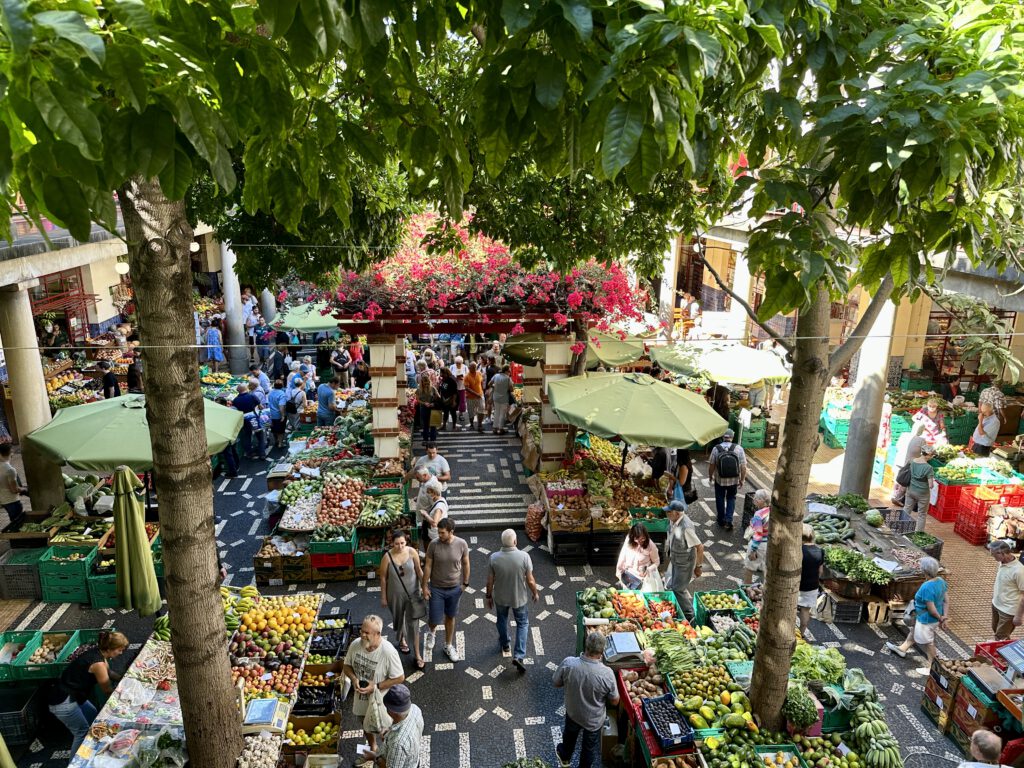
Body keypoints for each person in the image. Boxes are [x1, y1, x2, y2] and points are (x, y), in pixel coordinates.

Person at [47, 631, 129, 755]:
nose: (121, 653)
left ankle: (96, 750)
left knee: (94, 717)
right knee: (82, 732)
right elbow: (107, 690)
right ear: (110, 649)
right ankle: (76, 763)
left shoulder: (99, 654)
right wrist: (120, 706)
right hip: (63, 701)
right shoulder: (98, 664)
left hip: (75, 695)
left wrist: (126, 679)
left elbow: (110, 673)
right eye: (119, 650)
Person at [553, 632, 619, 768]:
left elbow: (556, 683)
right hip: (593, 720)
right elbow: (615, 701)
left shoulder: (569, 663)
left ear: (586, 646)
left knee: (569, 738)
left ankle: (565, 759)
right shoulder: (607, 674)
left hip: (573, 713)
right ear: (602, 652)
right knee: (589, 749)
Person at [342, 616, 405, 753]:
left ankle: (387, 753)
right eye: (362, 631)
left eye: (367, 633)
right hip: (361, 698)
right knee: (365, 724)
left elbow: (399, 678)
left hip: (381, 701)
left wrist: (375, 686)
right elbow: (346, 666)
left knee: (384, 729)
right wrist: (354, 679)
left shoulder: (388, 652)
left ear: (377, 634)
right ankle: (372, 747)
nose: (362, 635)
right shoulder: (355, 645)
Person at [486, 529, 539, 671]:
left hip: (500, 597)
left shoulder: (494, 558)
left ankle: (505, 643)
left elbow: (490, 581)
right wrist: (535, 593)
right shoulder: (524, 557)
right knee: (522, 623)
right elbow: (530, 580)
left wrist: (488, 596)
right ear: (515, 541)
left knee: (501, 620)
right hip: (519, 598)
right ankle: (519, 655)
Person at [885, 557, 946, 672]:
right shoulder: (941, 581)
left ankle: (932, 668)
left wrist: (941, 618)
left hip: (926, 619)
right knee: (914, 631)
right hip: (932, 618)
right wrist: (944, 616)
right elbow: (946, 600)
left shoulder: (927, 587)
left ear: (925, 571)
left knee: (929, 643)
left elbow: (931, 608)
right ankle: (902, 649)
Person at [422, 518, 470, 662]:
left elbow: (466, 563)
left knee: (450, 617)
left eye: (442, 533)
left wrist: (465, 584)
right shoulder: (433, 544)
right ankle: (432, 632)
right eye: (439, 532)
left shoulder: (462, 544)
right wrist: (424, 586)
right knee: (434, 618)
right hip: (436, 588)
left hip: (455, 588)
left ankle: (448, 645)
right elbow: (428, 566)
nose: (439, 535)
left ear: (451, 532)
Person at [379, 530, 425, 670]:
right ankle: (402, 639)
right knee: (399, 619)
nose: (400, 546)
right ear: (392, 543)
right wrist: (383, 597)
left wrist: (425, 586)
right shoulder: (387, 557)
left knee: (414, 624)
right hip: (395, 595)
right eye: (397, 544)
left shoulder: (412, 552)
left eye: (403, 543)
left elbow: (418, 570)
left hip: (413, 593)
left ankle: (417, 654)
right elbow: (383, 578)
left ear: (406, 542)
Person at [361, 684, 424, 768]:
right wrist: (389, 732)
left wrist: (374, 758)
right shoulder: (415, 709)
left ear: (392, 712)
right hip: (413, 761)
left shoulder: (398, 743)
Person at [663, 500, 704, 617]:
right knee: (673, 585)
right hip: (676, 559)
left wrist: (698, 567)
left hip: (684, 563)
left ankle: (690, 614)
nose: (667, 514)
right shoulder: (673, 521)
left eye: (669, 512)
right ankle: (679, 609)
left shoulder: (686, 527)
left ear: (677, 513)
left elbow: (700, 547)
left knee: (678, 589)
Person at [708, 429, 747, 530]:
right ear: (732, 437)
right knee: (731, 498)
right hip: (734, 480)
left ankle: (721, 520)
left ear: (723, 437)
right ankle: (729, 520)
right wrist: (742, 479)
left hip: (720, 480)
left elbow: (711, 465)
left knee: (720, 498)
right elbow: (743, 466)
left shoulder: (716, 449)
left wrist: (710, 476)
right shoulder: (739, 449)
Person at [988, 539, 1024, 640]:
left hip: (1008, 610)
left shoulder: (1019, 571)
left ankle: (1002, 654)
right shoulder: (1002, 562)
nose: (992, 556)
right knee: (996, 631)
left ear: (1002, 553)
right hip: (996, 605)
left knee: (1001, 636)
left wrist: (1018, 616)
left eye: (994, 554)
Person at [891, 422, 928, 506]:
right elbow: (925, 453)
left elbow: (897, 446)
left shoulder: (904, 435)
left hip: (899, 459)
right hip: (909, 463)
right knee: (905, 480)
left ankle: (894, 494)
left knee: (898, 478)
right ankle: (898, 497)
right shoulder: (921, 440)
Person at [615, 523, 661, 590]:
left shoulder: (651, 545)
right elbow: (623, 555)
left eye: (642, 539)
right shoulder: (628, 540)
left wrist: (649, 569)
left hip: (642, 576)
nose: (640, 542)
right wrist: (619, 572)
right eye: (637, 539)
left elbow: (656, 562)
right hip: (629, 574)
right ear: (632, 537)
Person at [903, 443, 936, 532]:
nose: (932, 457)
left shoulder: (913, 461)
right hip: (922, 493)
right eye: (932, 455)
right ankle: (918, 532)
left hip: (911, 490)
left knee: (906, 509)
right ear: (928, 455)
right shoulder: (928, 468)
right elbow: (930, 485)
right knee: (922, 514)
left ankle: (902, 528)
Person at [742, 488, 771, 584]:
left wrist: (753, 550)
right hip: (768, 544)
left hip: (759, 545)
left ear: (762, 501)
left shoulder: (758, 515)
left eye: (756, 498)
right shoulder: (771, 511)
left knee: (748, 568)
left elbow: (758, 534)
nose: (754, 500)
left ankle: (746, 589)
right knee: (765, 568)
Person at [798, 524, 823, 635]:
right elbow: (820, 571)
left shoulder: (799, 550)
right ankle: (801, 633)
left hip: (797, 584)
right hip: (812, 586)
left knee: (790, 608)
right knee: (805, 610)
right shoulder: (820, 551)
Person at [233, 383, 266, 460]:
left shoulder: (235, 400)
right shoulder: (252, 396)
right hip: (254, 418)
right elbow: (261, 407)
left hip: (244, 419)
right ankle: (262, 454)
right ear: (246, 389)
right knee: (260, 436)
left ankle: (249, 454)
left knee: (247, 436)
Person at [0, 444, 25, 525]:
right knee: (18, 524)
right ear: (11, 453)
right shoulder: (10, 470)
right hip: (12, 501)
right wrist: (24, 489)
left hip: (3, 500)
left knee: (13, 522)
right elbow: (14, 490)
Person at [414, 372, 441, 443]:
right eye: (425, 383)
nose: (426, 384)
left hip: (429, 408)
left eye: (427, 383)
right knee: (428, 425)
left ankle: (429, 439)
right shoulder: (421, 390)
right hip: (425, 408)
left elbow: (438, 397)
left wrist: (430, 403)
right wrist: (425, 403)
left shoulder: (431, 388)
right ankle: (429, 439)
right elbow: (417, 399)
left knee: (430, 425)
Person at [488, 364, 513, 435]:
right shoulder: (508, 378)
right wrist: (507, 388)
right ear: (506, 371)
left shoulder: (496, 376)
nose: (509, 372)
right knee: (502, 414)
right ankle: (500, 429)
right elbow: (511, 389)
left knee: (496, 412)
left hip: (495, 397)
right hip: (504, 398)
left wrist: (494, 386)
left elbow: (489, 384)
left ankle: (495, 428)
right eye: (509, 371)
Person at [267, 378, 289, 449]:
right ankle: (280, 443)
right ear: (282, 386)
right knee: (281, 430)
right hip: (278, 415)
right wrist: (283, 415)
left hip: (271, 414)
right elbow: (281, 406)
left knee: (273, 429)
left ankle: (276, 441)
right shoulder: (282, 394)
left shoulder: (270, 393)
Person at [464, 361, 485, 433]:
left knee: (482, 409)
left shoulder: (479, 373)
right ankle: (472, 424)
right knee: (471, 411)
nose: (473, 368)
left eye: (475, 367)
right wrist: (476, 394)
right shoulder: (466, 376)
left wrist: (482, 392)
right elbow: (467, 388)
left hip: (480, 395)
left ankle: (480, 424)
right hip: (470, 397)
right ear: (469, 367)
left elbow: (481, 383)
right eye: (472, 367)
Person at [437, 367, 459, 431]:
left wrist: (454, 401)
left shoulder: (451, 380)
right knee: (446, 412)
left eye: (442, 373)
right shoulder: (444, 379)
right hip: (445, 399)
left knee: (453, 412)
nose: (441, 374)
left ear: (446, 373)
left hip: (452, 399)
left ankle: (454, 426)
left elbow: (455, 392)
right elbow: (442, 388)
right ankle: (444, 426)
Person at [450, 356, 470, 428]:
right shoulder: (452, 367)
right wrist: (455, 377)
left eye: (459, 363)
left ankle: (461, 414)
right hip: (454, 387)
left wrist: (462, 378)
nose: (458, 364)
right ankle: (453, 414)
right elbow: (450, 376)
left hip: (462, 387)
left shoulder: (464, 367)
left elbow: (468, 376)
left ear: (462, 362)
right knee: (454, 401)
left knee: (462, 401)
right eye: (457, 363)